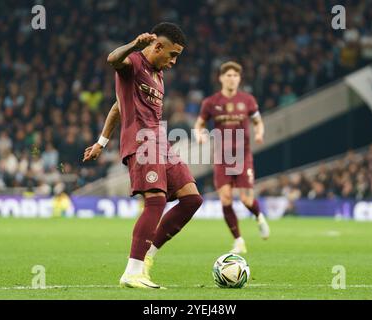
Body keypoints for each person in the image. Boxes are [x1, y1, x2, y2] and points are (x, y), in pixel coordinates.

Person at [83, 23, 203, 289]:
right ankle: (132, 271)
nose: (174, 61)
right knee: (155, 202)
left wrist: (101, 142)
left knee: (192, 199)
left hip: (160, 142)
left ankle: (148, 254)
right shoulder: (134, 62)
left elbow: (117, 106)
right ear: (157, 46)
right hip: (140, 142)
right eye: (172, 55)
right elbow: (112, 59)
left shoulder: (158, 75)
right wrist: (135, 45)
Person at [194, 61, 270, 254]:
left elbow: (258, 122)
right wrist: (200, 135)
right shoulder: (211, 102)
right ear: (221, 78)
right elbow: (199, 125)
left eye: (235, 76)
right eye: (228, 75)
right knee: (226, 198)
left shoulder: (248, 100)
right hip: (221, 157)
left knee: (245, 199)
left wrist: (259, 133)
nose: (232, 79)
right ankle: (238, 240)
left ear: (239, 79)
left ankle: (259, 216)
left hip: (243, 156)